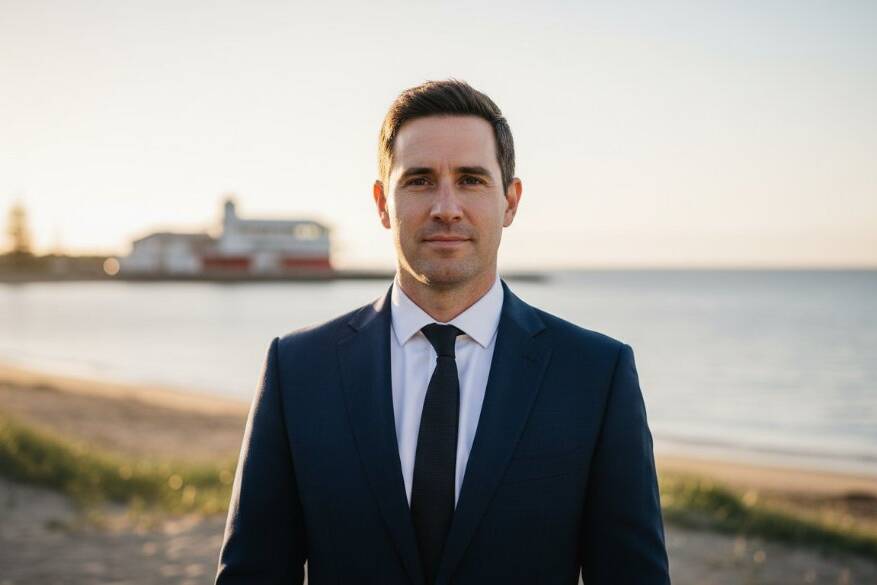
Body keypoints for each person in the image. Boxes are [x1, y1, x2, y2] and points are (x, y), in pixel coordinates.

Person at [215, 80, 670, 585]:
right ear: (382, 203)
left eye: (472, 179)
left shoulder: (595, 375)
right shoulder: (298, 368)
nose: (446, 207)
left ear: (511, 201)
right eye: (420, 180)